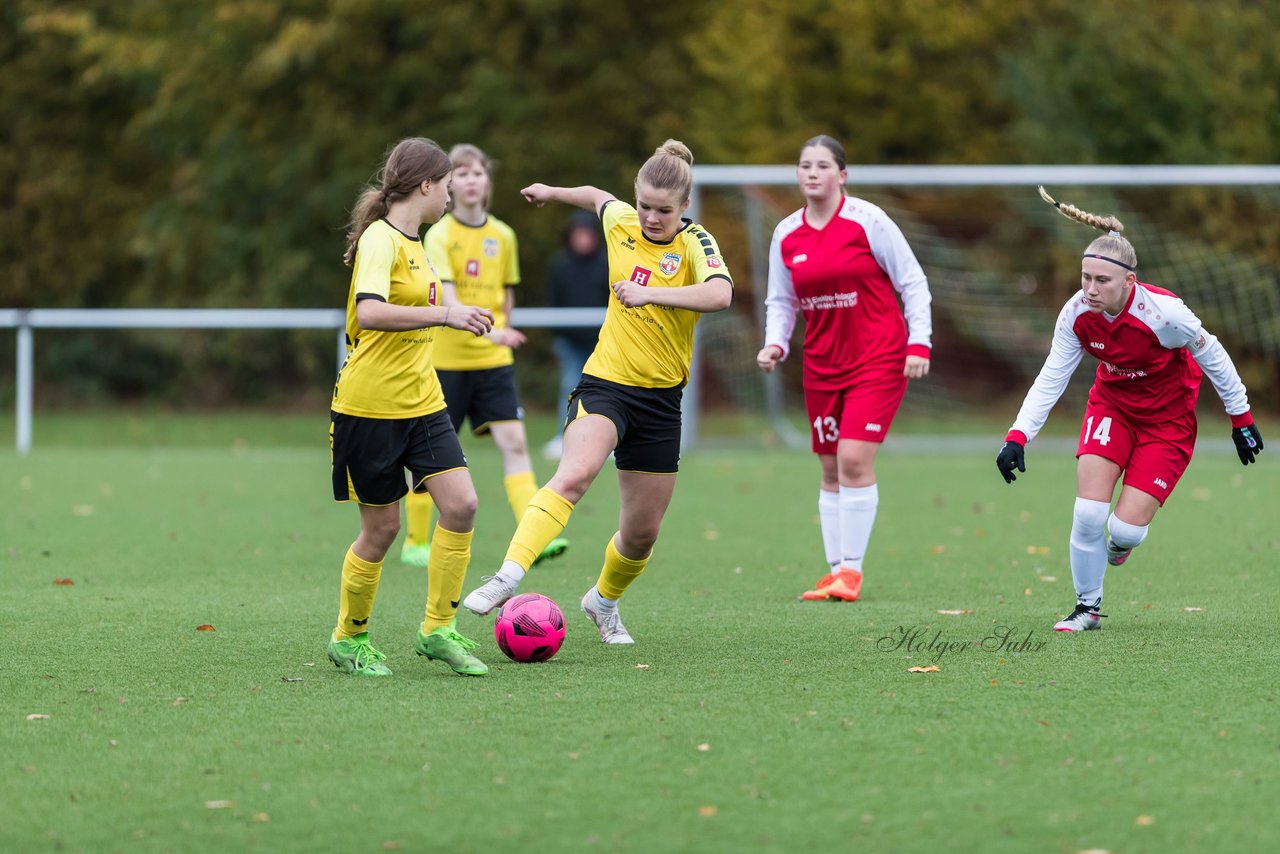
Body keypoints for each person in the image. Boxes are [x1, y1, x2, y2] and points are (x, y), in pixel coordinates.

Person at [461, 140, 733, 644]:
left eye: (664, 210)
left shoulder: (697, 242)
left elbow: (721, 293)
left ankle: (602, 602)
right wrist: (550, 191)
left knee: (641, 534)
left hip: (661, 399)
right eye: (645, 206)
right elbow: (595, 195)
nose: (651, 218)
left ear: (685, 207)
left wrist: (651, 292)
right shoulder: (621, 220)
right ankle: (507, 575)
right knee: (576, 473)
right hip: (605, 383)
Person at [996, 187, 1263, 632]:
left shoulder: (1166, 314)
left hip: (1168, 423)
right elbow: (1052, 376)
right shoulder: (1076, 314)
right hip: (1112, 409)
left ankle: (1121, 545)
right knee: (1086, 514)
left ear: (1129, 282)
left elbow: (1212, 354)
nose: (1090, 289)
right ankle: (1087, 608)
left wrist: (1242, 418)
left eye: (1102, 281)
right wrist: (1018, 435)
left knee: (1124, 533)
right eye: (1085, 278)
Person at [327, 137, 495, 677]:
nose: (449, 196)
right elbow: (372, 312)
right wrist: (445, 316)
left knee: (463, 504)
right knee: (382, 531)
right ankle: (348, 638)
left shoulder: (418, 243)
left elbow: (425, 306)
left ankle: (437, 630)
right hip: (370, 406)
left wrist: (456, 310)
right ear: (426, 185)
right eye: (446, 185)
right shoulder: (382, 239)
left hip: (423, 402)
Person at [756, 135, 933, 603]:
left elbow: (912, 281)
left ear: (842, 175)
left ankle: (851, 574)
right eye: (804, 165)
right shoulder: (786, 234)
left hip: (878, 357)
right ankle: (834, 572)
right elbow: (781, 300)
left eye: (821, 165)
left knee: (855, 459)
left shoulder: (868, 221)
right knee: (830, 466)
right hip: (822, 364)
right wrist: (775, 343)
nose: (812, 173)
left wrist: (920, 342)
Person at [398, 144, 568, 569]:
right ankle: (416, 541)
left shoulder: (503, 236)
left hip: (493, 363)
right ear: (450, 184)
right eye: (462, 173)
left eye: (479, 173)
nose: (472, 180)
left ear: (488, 182)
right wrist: (495, 334)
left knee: (515, 443)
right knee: (430, 455)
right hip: (446, 361)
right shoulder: (439, 235)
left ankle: (535, 537)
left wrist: (501, 333)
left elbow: (506, 294)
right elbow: (450, 298)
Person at [542, 210, 611, 460]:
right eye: (577, 234)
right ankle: (565, 438)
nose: (582, 240)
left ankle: (604, 442)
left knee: (604, 392)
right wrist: (558, 340)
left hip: (601, 343)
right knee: (569, 387)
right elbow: (554, 302)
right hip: (570, 342)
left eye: (587, 234)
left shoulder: (606, 263)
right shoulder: (561, 265)